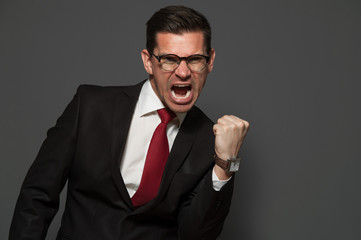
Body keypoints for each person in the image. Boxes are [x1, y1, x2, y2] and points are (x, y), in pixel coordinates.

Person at [9, 5, 249, 240]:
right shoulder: (90, 106)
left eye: (195, 59)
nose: (183, 72)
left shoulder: (211, 140)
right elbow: (37, 196)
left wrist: (227, 163)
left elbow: (197, 234)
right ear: (148, 61)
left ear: (210, 61)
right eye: (169, 59)